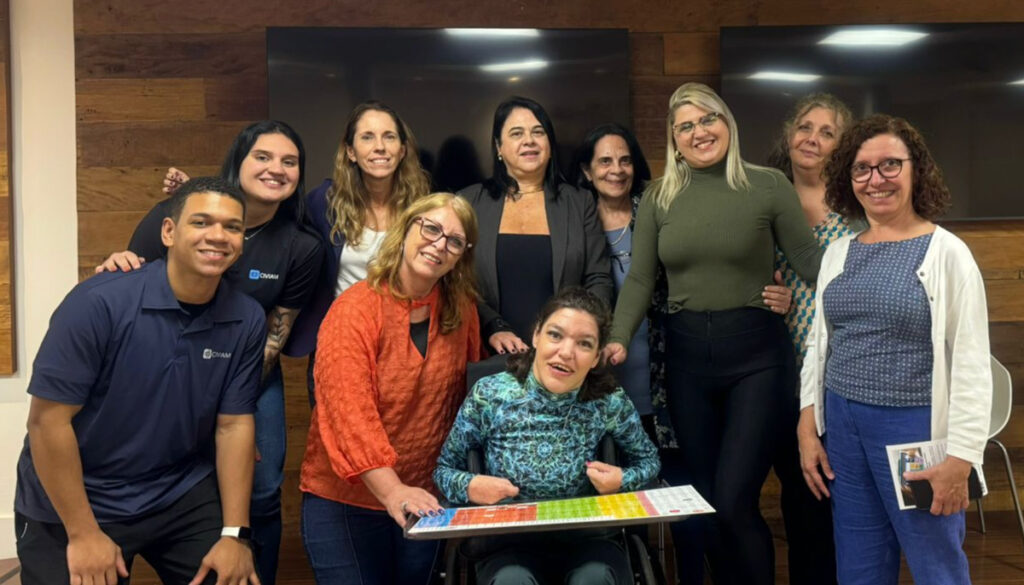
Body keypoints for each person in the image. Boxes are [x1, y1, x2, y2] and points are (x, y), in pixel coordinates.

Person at [606, 82, 823, 585]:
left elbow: (811, 263)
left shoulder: (768, 185)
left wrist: (875, 262)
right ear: (674, 139)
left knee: (733, 499)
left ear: (728, 123)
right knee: (705, 501)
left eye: (708, 119)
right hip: (687, 362)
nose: (699, 132)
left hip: (758, 357)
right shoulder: (659, 197)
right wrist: (618, 336)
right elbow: (640, 278)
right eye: (686, 125)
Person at [95, 121, 323, 585]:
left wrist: (229, 409)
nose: (276, 169)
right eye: (262, 156)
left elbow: (274, 337)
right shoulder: (175, 212)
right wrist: (115, 265)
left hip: (249, 376)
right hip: (161, 372)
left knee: (261, 490)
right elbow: (130, 282)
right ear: (239, 160)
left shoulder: (303, 246)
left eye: (289, 161)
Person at [16, 177, 265, 585]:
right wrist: (82, 533)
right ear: (168, 231)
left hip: (177, 488)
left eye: (232, 227)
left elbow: (234, 424)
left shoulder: (246, 317)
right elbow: (47, 423)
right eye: (201, 222)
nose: (217, 236)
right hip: (79, 495)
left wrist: (234, 535)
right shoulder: (98, 303)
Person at [798, 114, 992, 585]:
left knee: (935, 561)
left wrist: (961, 458)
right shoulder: (839, 251)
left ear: (915, 170)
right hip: (843, 426)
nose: (875, 179)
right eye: (862, 169)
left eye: (889, 165)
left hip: (913, 432)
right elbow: (818, 342)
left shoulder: (947, 253)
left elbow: (971, 363)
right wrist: (808, 423)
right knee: (859, 558)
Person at [300, 193, 483, 585]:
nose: (439, 244)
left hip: (425, 497)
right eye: (431, 228)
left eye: (454, 241)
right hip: (345, 501)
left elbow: (464, 405)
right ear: (406, 230)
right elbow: (348, 411)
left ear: (460, 256)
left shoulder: (461, 310)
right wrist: (392, 489)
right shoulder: (355, 309)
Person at [435, 287, 660, 585]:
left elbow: (649, 462)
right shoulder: (490, 395)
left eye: (584, 344)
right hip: (508, 541)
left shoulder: (609, 401)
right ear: (536, 336)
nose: (566, 352)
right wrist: (470, 485)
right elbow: (443, 470)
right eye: (556, 335)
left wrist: (622, 480)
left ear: (595, 357)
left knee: (593, 579)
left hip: (589, 539)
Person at [765, 93, 855, 585]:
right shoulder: (761, 196)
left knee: (828, 502)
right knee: (796, 507)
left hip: (835, 380)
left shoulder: (857, 207)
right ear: (788, 134)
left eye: (826, 133)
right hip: (772, 373)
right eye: (805, 127)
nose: (812, 139)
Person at [286, 100, 430, 402]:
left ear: (402, 150)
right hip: (341, 344)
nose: (380, 147)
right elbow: (269, 221)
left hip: (405, 348)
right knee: (341, 442)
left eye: (389, 137)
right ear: (350, 151)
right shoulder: (323, 204)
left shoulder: (424, 206)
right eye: (367, 137)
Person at [459, 96, 612, 355]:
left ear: (549, 143)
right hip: (489, 352)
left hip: (565, 354)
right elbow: (457, 281)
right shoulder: (469, 202)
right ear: (499, 146)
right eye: (516, 133)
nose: (529, 140)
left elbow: (598, 277)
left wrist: (580, 334)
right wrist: (492, 325)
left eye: (538, 132)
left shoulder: (579, 202)